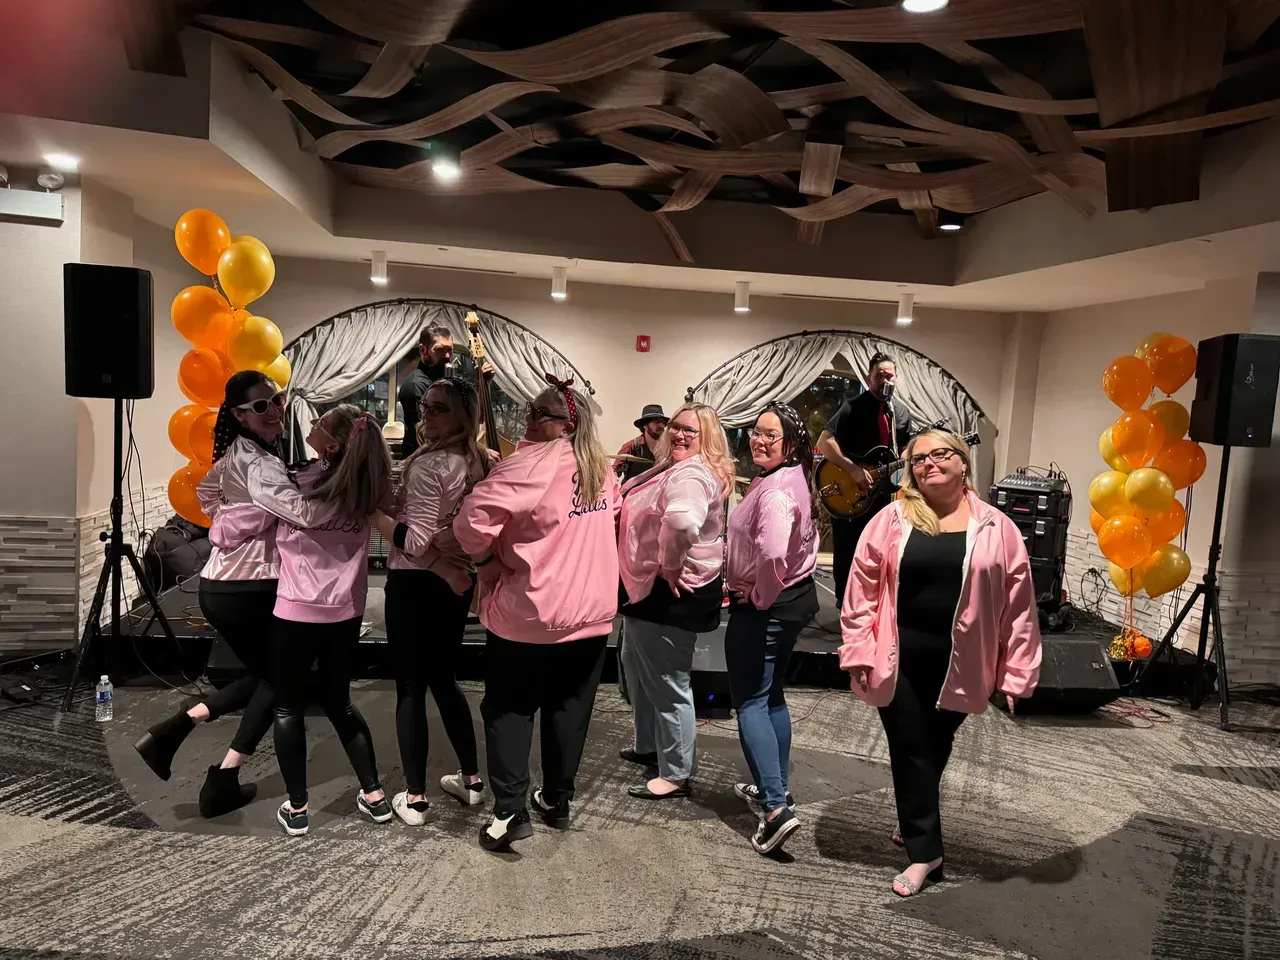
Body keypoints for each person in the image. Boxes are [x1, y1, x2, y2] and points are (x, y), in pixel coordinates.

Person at [840, 430, 1041, 897]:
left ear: (963, 462)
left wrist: (1016, 673)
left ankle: (915, 811)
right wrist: (857, 650)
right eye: (919, 459)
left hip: (965, 660)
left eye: (940, 455)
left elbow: (1020, 606)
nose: (928, 464)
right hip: (899, 656)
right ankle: (924, 852)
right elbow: (861, 590)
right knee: (910, 746)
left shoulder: (997, 527)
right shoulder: (890, 519)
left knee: (935, 744)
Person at [209, 404, 395, 837]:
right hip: (346, 613)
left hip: (295, 610)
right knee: (340, 704)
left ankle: (297, 809)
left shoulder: (295, 484)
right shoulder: (372, 490)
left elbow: (229, 530)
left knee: (288, 706)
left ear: (331, 443)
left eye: (320, 423)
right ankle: (375, 797)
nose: (310, 424)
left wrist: (220, 520)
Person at [454, 374, 620, 851]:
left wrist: (486, 563)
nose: (528, 419)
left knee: (509, 710)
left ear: (564, 425)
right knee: (570, 710)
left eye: (539, 413)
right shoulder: (600, 469)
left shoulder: (525, 465)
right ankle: (558, 800)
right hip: (591, 616)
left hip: (530, 617)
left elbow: (469, 524)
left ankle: (509, 812)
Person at [133, 371, 286, 818]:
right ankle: (221, 773)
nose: (273, 410)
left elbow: (205, 489)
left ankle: (177, 728)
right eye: (261, 406)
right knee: (281, 677)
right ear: (238, 415)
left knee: (268, 674)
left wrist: (227, 517)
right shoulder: (261, 463)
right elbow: (297, 513)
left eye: (276, 401)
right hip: (250, 585)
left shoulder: (242, 453)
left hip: (221, 586)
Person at [372, 378, 490, 825]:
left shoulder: (433, 466)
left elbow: (415, 540)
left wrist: (373, 514)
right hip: (450, 586)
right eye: (424, 406)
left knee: (411, 688)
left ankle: (416, 798)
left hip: (416, 586)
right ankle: (472, 780)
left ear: (462, 415)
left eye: (438, 409)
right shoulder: (475, 460)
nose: (426, 414)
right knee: (444, 680)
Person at [617, 403, 734, 800]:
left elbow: (683, 521)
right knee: (639, 672)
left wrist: (670, 564)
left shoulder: (691, 473)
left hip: (668, 592)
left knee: (667, 682)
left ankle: (677, 772)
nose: (680, 435)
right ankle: (649, 744)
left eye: (691, 431)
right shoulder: (670, 467)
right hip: (649, 590)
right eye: (676, 427)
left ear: (708, 439)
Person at [724, 401, 820, 856]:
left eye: (770, 435)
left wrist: (759, 596)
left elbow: (772, 554)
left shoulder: (777, 490)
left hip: (768, 606)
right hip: (796, 598)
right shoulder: (794, 476)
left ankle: (776, 811)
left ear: (792, 442)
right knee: (772, 695)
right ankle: (773, 788)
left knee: (750, 704)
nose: (759, 441)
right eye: (755, 432)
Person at [817, 353, 913, 602]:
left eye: (888, 375)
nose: (884, 380)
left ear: (896, 378)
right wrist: (853, 469)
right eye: (879, 375)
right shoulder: (853, 407)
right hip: (851, 493)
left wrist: (912, 456)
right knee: (848, 551)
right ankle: (844, 603)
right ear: (870, 378)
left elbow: (902, 449)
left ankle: (871, 604)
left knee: (879, 551)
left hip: (881, 495)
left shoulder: (900, 413)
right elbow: (825, 442)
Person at [397, 323, 493, 458]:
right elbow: (431, 438)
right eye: (440, 349)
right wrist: (477, 451)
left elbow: (474, 418)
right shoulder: (415, 386)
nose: (448, 356)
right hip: (425, 466)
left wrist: (484, 384)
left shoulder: (446, 383)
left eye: (450, 350)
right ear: (423, 350)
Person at [615, 404, 668, 482]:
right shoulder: (631, 446)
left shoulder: (667, 446)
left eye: (663, 422)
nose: (662, 426)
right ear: (645, 426)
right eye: (657, 422)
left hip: (657, 491)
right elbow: (614, 471)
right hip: (633, 492)